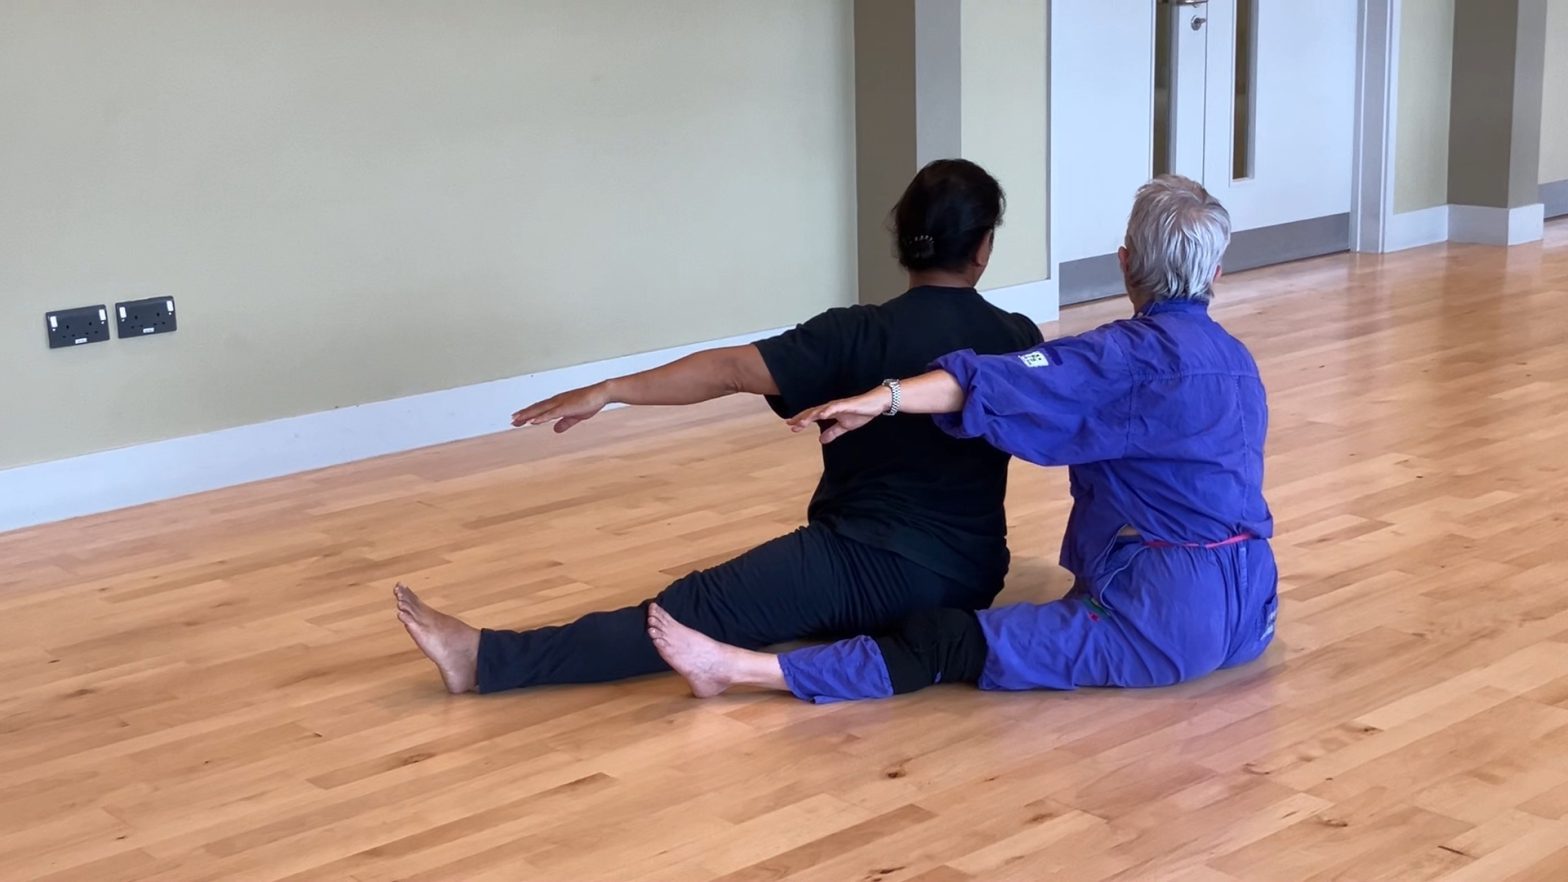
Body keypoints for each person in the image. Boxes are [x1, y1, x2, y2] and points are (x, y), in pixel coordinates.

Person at [394, 159, 1045, 694]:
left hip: (871, 562)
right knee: (782, 600)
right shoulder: (1017, 338)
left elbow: (730, 371)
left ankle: (483, 659)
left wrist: (611, 390)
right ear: (982, 248)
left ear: (902, 240)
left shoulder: (856, 332)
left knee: (691, 609)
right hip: (971, 580)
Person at [644, 175, 1279, 703]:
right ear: (1216, 272)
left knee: (942, 640)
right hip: (1253, 609)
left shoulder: (1118, 357)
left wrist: (882, 397)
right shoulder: (1238, 359)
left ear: (1126, 262)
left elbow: (987, 382)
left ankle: (740, 670)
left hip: (1165, 623)